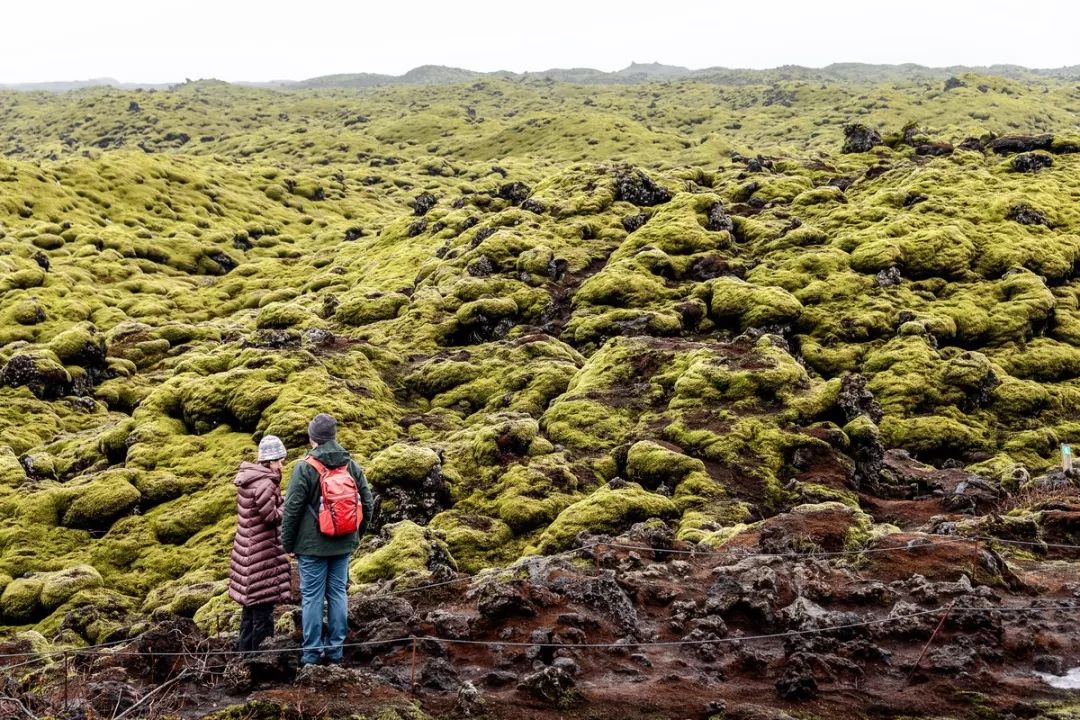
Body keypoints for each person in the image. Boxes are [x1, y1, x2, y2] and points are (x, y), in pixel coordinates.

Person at [281, 413, 374, 666]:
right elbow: (367, 502)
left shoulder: (304, 467)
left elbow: (292, 509)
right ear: (333, 436)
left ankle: (311, 654)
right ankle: (335, 652)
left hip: (311, 547)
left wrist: (287, 544)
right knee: (337, 594)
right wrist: (356, 535)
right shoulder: (351, 465)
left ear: (312, 438)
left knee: (311, 597)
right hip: (343, 543)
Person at [228, 434, 292, 653]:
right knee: (263, 614)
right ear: (272, 460)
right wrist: (288, 506)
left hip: (248, 551)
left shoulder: (250, 479)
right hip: (261, 555)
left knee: (249, 611)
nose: (282, 463)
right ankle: (261, 660)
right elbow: (271, 517)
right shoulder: (265, 483)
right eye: (280, 459)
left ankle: (244, 656)